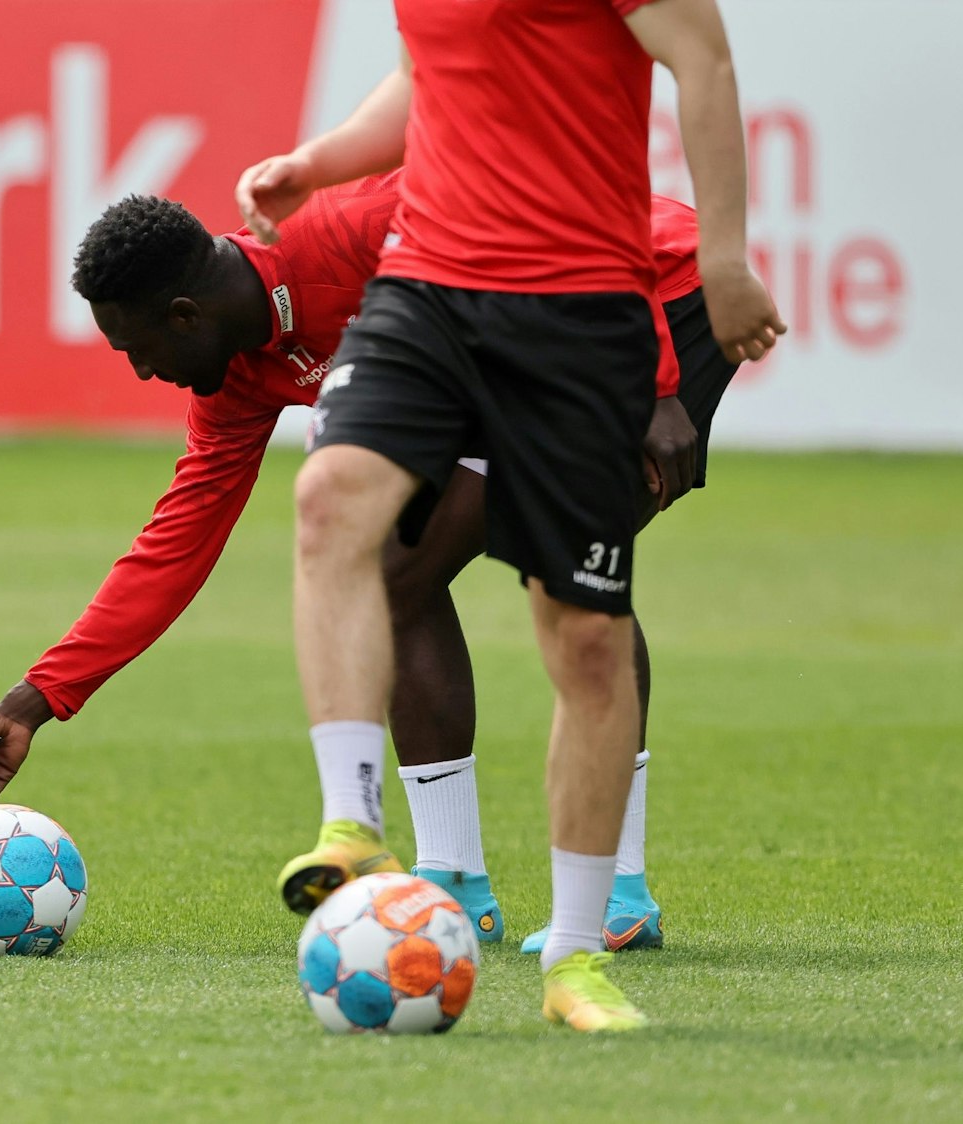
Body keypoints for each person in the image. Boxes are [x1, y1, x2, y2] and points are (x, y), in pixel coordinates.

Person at [0, 171, 727, 954]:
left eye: (138, 350)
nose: (143, 373)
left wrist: (658, 376)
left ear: (184, 316)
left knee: (567, 566)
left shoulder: (344, 228)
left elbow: (561, 205)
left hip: (650, 288)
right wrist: (32, 703)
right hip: (509, 359)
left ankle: (616, 895)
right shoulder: (238, 380)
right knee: (390, 575)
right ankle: (454, 882)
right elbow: (173, 546)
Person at [232, 0, 782, 1030]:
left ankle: (577, 956)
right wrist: (321, 160)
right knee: (329, 500)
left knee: (581, 637)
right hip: (427, 286)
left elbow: (701, 61)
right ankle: (352, 819)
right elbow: (429, 77)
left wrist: (720, 260)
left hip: (577, 310)